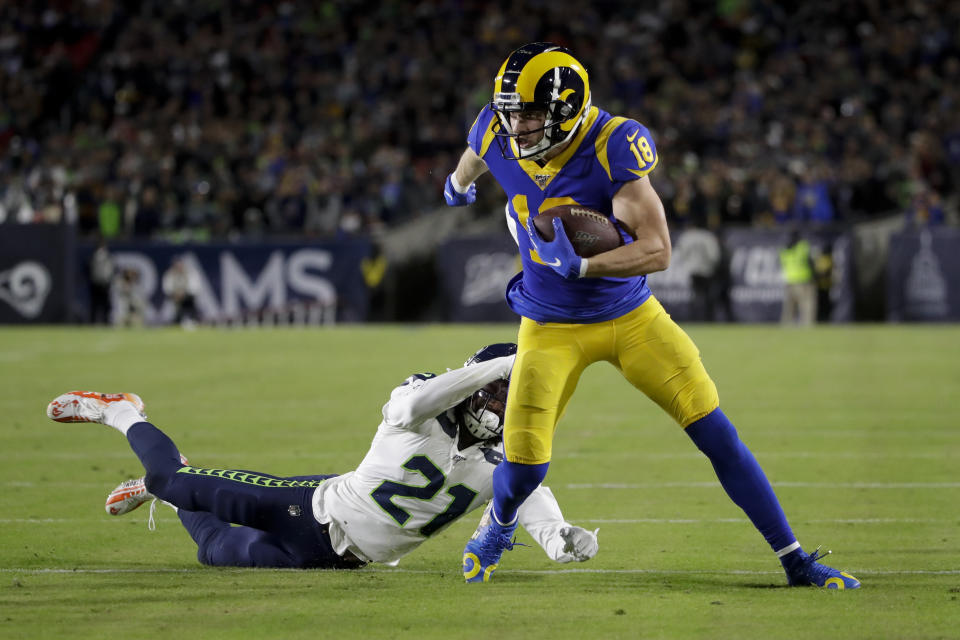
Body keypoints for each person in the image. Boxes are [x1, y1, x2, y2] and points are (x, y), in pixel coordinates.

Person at [444, 43, 859, 588]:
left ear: (567, 108)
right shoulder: (497, 129)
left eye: (529, 113)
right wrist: (458, 183)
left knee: (717, 433)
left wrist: (587, 267)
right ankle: (497, 525)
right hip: (548, 323)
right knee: (523, 468)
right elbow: (477, 151)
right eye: (510, 112)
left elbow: (659, 250)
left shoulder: (613, 144)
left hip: (630, 315)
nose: (515, 124)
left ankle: (795, 559)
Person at [45, 344, 599, 572]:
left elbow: (530, 493)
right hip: (307, 509)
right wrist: (500, 365)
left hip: (337, 560)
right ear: (478, 382)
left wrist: (557, 539)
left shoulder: (500, 457)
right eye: (501, 391)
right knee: (171, 478)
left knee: (212, 549)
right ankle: (120, 412)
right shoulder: (422, 401)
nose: (505, 407)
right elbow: (421, 401)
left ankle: (164, 486)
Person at [779, 230, 817, 326]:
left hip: (789, 281)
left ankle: (786, 328)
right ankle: (807, 327)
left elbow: (782, 264)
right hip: (804, 280)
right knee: (807, 306)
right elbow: (810, 262)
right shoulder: (802, 246)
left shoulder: (783, 249)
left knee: (789, 309)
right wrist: (815, 275)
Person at [162, 256, 201, 328]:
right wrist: (175, 294)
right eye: (176, 265)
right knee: (175, 306)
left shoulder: (190, 273)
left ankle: (193, 319)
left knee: (190, 303)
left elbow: (195, 288)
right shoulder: (169, 274)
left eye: (180, 265)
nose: (179, 267)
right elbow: (167, 288)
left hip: (188, 298)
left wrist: (184, 294)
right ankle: (177, 320)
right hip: (174, 297)